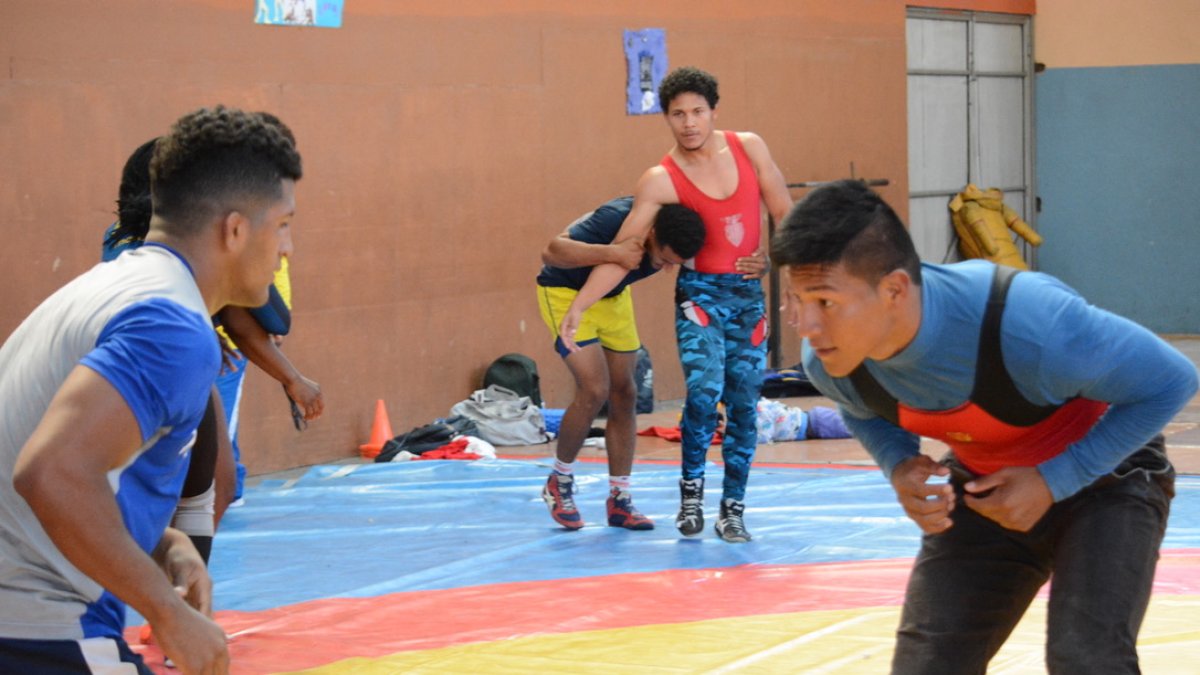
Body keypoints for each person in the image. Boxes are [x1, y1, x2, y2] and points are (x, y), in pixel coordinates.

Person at [770, 179, 1198, 673]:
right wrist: (899, 461)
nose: (806, 325)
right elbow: (861, 408)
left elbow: (1171, 380)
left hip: (1108, 478)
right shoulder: (829, 357)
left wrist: (1057, 478)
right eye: (796, 299)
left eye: (824, 301)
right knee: (925, 666)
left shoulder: (1029, 323)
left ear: (893, 290)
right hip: (989, 485)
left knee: (1086, 658)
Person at [0, 105, 302, 674]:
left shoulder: (114, 285)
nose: (287, 247)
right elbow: (48, 473)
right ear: (236, 230)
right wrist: (165, 611)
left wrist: (164, 544)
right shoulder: (172, 328)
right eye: (283, 223)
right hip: (37, 627)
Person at [558, 66, 793, 542]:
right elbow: (624, 253)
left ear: (713, 112)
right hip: (699, 295)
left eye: (697, 112)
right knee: (704, 395)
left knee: (745, 404)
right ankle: (692, 493)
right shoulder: (660, 179)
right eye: (678, 114)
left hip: (747, 297)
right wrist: (580, 305)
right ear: (666, 118)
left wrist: (782, 266)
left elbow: (785, 212)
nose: (689, 123)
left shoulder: (750, 147)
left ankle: (733, 508)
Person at [537, 198, 706, 530]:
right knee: (594, 389)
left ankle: (620, 498)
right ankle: (560, 480)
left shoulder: (677, 232)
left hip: (613, 297)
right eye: (663, 259)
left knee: (626, 392)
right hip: (563, 292)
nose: (666, 267)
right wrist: (611, 253)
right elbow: (552, 251)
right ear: (652, 233)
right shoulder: (616, 218)